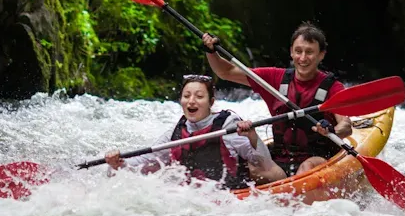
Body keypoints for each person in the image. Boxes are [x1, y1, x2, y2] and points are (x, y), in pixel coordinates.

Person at [201, 22, 352, 179]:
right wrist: (212, 53)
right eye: (298, 51)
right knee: (248, 170)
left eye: (309, 52)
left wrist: (332, 131)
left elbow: (346, 126)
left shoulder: (333, 87)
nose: (303, 58)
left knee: (306, 167)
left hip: (318, 159)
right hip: (279, 160)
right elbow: (226, 72)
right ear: (291, 53)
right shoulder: (273, 78)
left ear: (321, 54)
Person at [103, 75, 285, 189]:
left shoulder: (228, 125)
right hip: (190, 201)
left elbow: (263, 164)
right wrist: (119, 162)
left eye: (199, 97)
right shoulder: (175, 132)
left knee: (270, 172)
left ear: (211, 102)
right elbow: (144, 162)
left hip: (228, 196)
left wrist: (253, 137)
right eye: (186, 96)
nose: (191, 101)